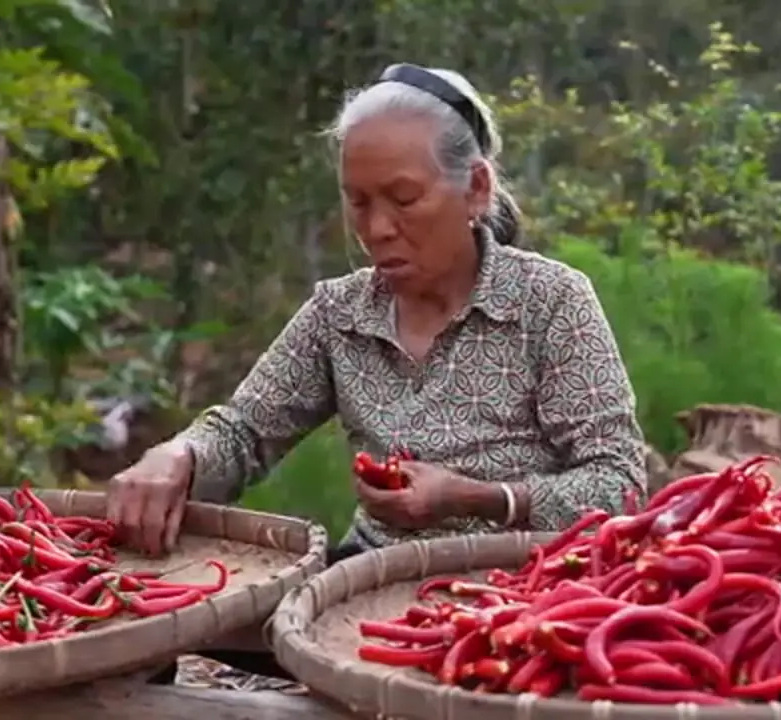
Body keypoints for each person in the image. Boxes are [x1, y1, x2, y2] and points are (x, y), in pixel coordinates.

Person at [107, 63, 647, 682]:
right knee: (152, 618)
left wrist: (479, 498)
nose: (376, 229)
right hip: (368, 586)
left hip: (526, 600)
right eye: (357, 202)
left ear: (474, 189)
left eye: (404, 199)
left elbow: (621, 489)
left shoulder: (550, 302)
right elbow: (243, 433)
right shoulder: (340, 313)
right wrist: (178, 457)